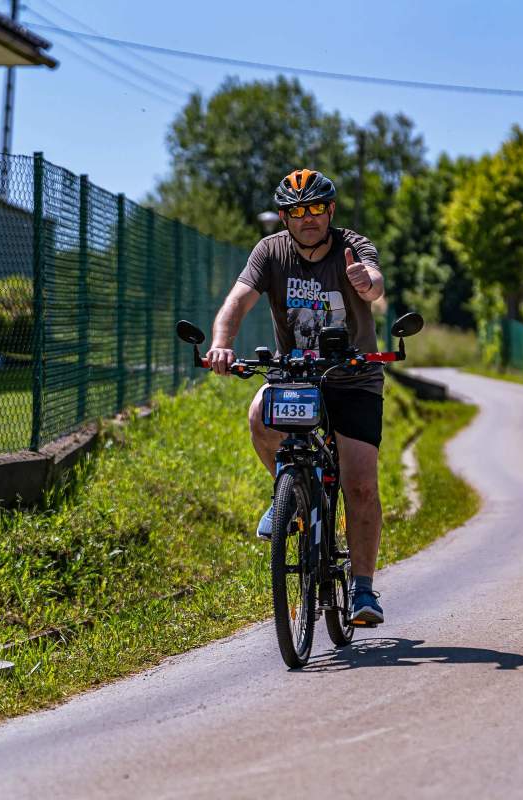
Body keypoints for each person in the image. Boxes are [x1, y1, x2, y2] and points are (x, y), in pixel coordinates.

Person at [205, 168, 386, 625]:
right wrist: (222, 342)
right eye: (296, 211)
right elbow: (237, 301)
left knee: (360, 484)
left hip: (354, 375)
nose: (307, 219)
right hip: (297, 373)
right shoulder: (270, 252)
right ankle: (290, 494)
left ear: (330, 211)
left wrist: (367, 282)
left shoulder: (352, 244)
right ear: (284, 218)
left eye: (316, 209)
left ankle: (363, 591)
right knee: (259, 415)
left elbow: (375, 283)